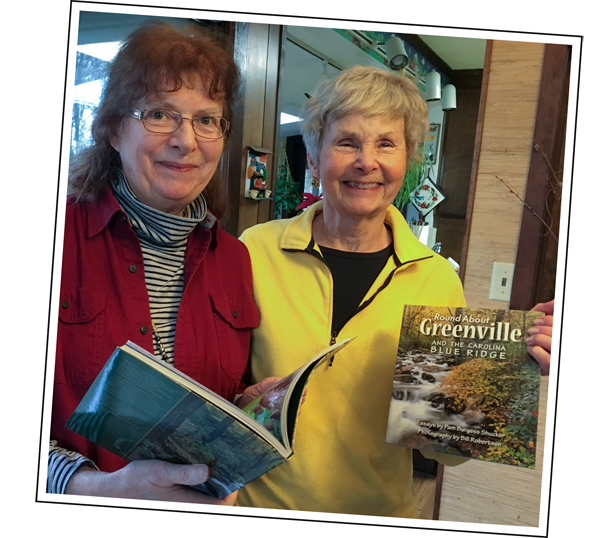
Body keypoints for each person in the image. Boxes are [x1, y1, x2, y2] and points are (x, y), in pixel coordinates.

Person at [237, 65, 554, 517]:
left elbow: (447, 448)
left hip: (377, 513)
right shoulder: (255, 250)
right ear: (313, 159)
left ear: (407, 161)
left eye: (386, 143)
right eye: (346, 142)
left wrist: (505, 374)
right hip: (254, 508)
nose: (367, 161)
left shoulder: (436, 278)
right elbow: (220, 380)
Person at [48, 21, 275, 505]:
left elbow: (209, 398)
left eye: (207, 119)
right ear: (112, 128)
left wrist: (245, 411)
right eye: (159, 114)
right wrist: (97, 487)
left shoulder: (235, 259)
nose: (186, 140)